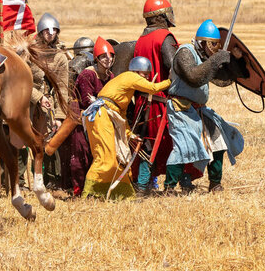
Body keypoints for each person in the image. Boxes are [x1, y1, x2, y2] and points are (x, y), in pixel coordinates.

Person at [165, 19, 245, 193]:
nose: (214, 49)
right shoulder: (185, 52)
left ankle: (215, 183)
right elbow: (193, 77)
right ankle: (170, 187)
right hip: (181, 109)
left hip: (200, 110)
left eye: (217, 46)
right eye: (212, 45)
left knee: (218, 141)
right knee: (184, 146)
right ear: (202, 42)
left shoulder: (206, 57)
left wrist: (236, 60)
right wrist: (216, 60)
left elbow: (224, 78)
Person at [81, 56, 171, 199]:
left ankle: (117, 193)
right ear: (136, 71)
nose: (147, 78)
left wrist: (130, 134)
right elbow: (153, 88)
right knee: (104, 156)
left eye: (148, 75)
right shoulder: (130, 76)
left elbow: (121, 115)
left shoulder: (125, 91)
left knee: (117, 157)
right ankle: (90, 192)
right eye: (145, 74)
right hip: (101, 114)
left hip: (107, 114)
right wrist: (171, 80)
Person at [131, 0, 185, 193]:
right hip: (161, 102)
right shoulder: (164, 37)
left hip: (142, 102)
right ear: (161, 16)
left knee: (145, 143)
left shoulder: (140, 39)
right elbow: (175, 67)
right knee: (176, 141)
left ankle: (143, 185)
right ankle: (177, 184)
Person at [64, 36, 115, 196]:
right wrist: (105, 102)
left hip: (101, 120)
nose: (107, 59)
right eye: (103, 56)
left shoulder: (110, 76)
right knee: (81, 154)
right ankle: (78, 190)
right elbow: (87, 101)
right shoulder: (88, 74)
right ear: (97, 58)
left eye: (110, 56)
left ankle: (95, 188)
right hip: (81, 120)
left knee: (100, 154)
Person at [27, 13, 69, 188]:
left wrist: (59, 116)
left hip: (48, 103)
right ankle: (22, 182)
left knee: (49, 141)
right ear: (41, 31)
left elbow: (62, 88)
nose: (50, 34)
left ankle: (50, 180)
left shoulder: (60, 57)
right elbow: (21, 82)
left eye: (53, 31)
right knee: (24, 142)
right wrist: (37, 97)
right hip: (26, 100)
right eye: (47, 31)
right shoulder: (29, 53)